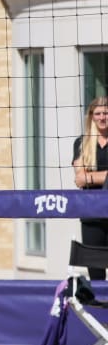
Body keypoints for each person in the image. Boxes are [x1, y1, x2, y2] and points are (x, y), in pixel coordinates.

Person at [72, 96, 108, 280]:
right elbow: (79, 179)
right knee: (95, 274)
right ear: (92, 116)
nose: (102, 117)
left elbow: (85, 177)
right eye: (98, 113)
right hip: (91, 214)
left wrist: (90, 177)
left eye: (106, 113)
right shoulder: (82, 143)